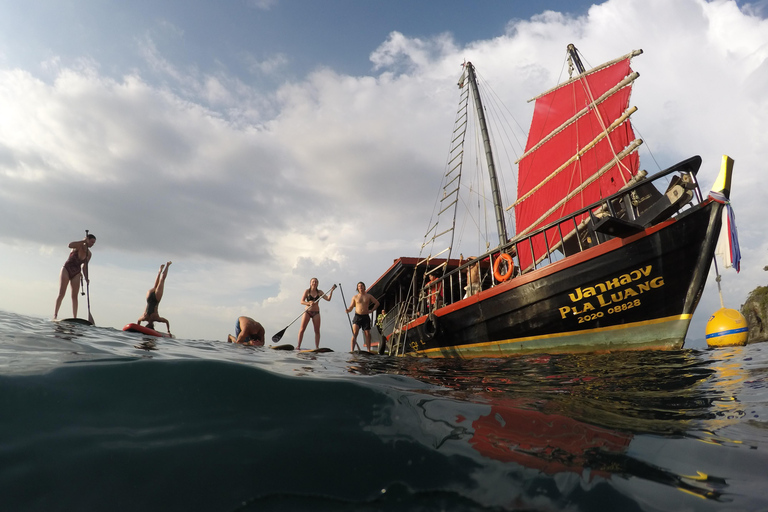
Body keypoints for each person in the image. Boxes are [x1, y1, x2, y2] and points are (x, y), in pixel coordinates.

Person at [54, 234, 96, 320]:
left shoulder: (89, 254)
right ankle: (55, 315)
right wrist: (83, 241)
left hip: (76, 272)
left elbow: (84, 267)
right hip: (66, 269)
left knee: (74, 296)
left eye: (93, 243)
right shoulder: (77, 246)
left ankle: (74, 318)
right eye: (91, 242)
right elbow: (69, 245)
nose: (92, 244)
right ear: (87, 239)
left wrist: (86, 278)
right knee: (62, 293)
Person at [297, 278, 335, 350]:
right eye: (313, 282)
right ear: (310, 283)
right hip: (307, 312)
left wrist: (331, 291)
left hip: (316, 313)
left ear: (317, 284)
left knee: (317, 331)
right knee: (302, 329)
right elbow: (301, 301)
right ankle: (298, 346)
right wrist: (309, 303)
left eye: (316, 282)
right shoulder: (307, 291)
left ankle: (317, 347)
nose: (314, 283)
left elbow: (328, 299)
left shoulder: (320, 292)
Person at [137, 262, 172, 334]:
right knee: (158, 283)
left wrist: (168, 331)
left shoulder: (154, 318)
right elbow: (138, 320)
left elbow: (166, 322)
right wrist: (168, 331)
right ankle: (161, 271)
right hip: (149, 298)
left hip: (155, 299)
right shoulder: (144, 318)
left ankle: (164, 268)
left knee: (161, 281)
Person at [345, 281, 380, 352]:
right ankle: (352, 350)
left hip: (365, 316)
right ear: (357, 288)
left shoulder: (368, 296)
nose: (360, 287)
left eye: (361, 286)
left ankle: (368, 350)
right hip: (357, 316)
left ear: (364, 287)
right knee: (355, 332)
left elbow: (377, 303)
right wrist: (348, 310)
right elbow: (351, 307)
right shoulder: (355, 297)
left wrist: (372, 310)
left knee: (367, 333)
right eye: (359, 286)